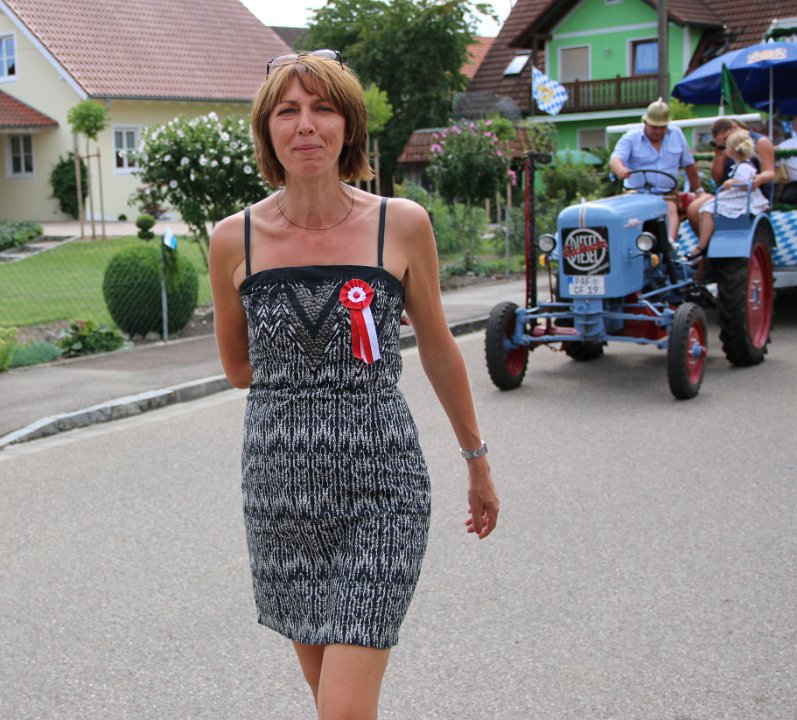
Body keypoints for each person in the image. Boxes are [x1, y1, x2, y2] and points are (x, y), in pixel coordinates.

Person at [209, 50, 499, 720]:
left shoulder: (402, 224)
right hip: (281, 498)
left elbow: (437, 347)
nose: (306, 125)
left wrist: (476, 460)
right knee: (334, 706)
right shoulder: (233, 240)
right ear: (267, 131)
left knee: (341, 709)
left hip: (382, 491)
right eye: (288, 111)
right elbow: (238, 369)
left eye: (323, 109)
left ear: (349, 126)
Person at [609, 98, 704, 243]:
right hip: (637, 193)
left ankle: (670, 244)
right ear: (645, 122)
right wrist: (621, 170)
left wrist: (699, 190)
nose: (658, 131)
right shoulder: (631, 138)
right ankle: (635, 244)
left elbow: (689, 164)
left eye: (662, 127)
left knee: (670, 208)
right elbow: (615, 159)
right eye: (654, 127)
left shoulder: (676, 134)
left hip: (666, 194)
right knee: (630, 214)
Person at [689, 130, 770, 280]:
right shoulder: (742, 165)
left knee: (707, 210)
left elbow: (746, 184)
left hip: (740, 198)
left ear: (731, 151)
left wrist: (732, 182)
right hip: (736, 196)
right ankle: (706, 243)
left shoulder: (744, 167)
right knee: (705, 208)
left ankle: (702, 246)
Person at [687, 117, 775, 233]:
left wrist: (759, 179)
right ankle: (708, 241)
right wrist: (719, 154)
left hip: (749, 192)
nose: (726, 142)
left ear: (734, 127)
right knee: (693, 209)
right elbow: (717, 177)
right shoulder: (726, 146)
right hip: (727, 191)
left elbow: (769, 172)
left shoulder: (760, 142)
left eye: (726, 138)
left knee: (704, 208)